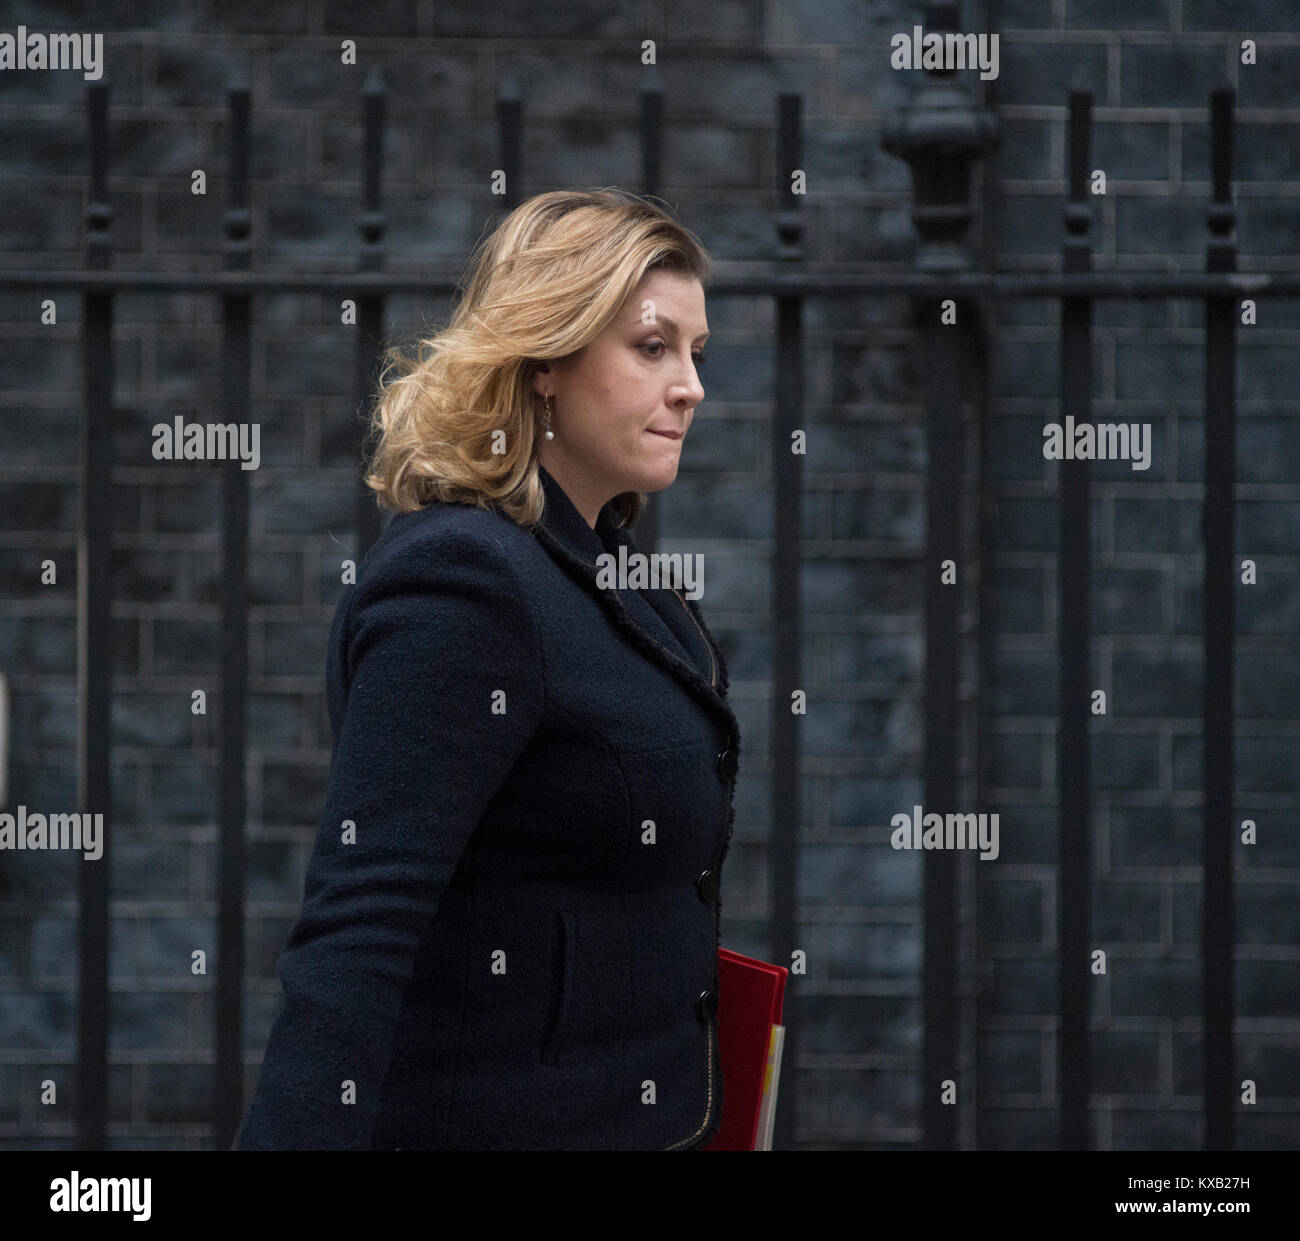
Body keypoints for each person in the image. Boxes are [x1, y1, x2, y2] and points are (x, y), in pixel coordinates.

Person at [233, 188, 742, 1150]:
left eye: (696, 352)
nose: (690, 386)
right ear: (547, 356)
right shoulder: (467, 577)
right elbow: (364, 914)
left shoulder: (616, 570)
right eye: (651, 346)